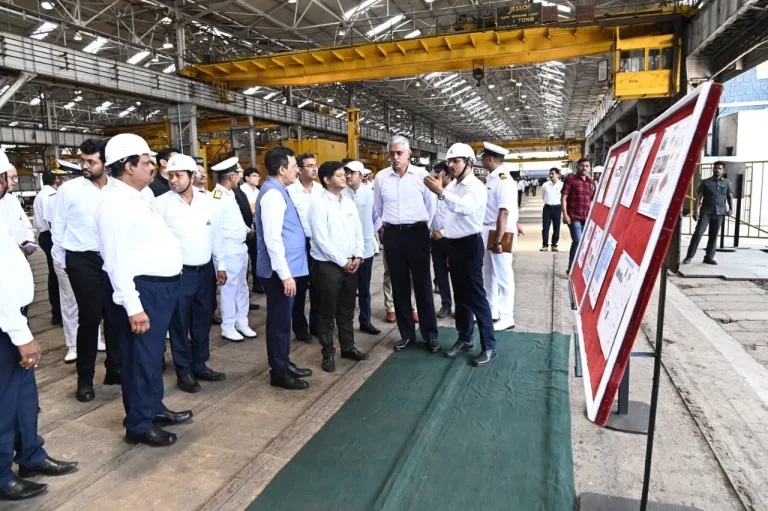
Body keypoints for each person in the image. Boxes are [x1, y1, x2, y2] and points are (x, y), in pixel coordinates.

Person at [96, 133, 192, 447]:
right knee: (140, 359)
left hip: (159, 289)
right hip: (142, 292)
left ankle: (153, 408)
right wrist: (132, 305)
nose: (153, 168)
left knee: (151, 357)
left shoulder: (137, 197)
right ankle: (138, 424)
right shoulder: (114, 204)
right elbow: (116, 260)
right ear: (127, 166)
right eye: (147, 163)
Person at [0, 228, 78, 502]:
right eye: (6, 180)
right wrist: (20, 334)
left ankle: (31, 455)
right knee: (4, 403)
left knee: (24, 397)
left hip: (14, 318)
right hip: (6, 323)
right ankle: (1, 477)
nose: (9, 181)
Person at [51, 139, 120, 402]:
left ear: (105, 163)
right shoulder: (70, 190)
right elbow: (58, 227)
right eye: (83, 160)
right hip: (82, 259)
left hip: (111, 259)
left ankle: (114, 370)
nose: (85, 166)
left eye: (91, 161)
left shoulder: (117, 189)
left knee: (115, 316)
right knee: (90, 318)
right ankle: (85, 380)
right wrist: (62, 260)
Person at [152, 154, 227, 394]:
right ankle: (183, 371)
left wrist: (221, 264)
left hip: (205, 272)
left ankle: (200, 364)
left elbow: (215, 235)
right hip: (179, 275)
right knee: (179, 324)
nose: (173, 180)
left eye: (178, 175)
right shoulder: (160, 204)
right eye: (170, 176)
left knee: (202, 321)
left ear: (191, 177)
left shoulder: (207, 202)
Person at [424, 143, 498, 367]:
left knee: (476, 297)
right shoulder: (454, 186)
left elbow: (465, 208)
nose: (451, 165)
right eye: (450, 161)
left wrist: (441, 192)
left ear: (469, 162)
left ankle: (490, 346)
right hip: (454, 246)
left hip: (470, 246)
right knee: (461, 297)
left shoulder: (475, 187)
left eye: (456, 161)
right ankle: (465, 338)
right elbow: (450, 217)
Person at [374, 135, 439, 353]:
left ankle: (430, 335)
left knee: (422, 286)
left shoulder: (422, 176)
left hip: (418, 234)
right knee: (399, 286)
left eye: (399, 153)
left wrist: (421, 228)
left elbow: (431, 207)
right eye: (391, 153)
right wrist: (389, 229)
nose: (395, 157)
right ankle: (407, 335)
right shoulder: (381, 178)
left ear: (409, 154)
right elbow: (379, 208)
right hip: (393, 236)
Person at [254, 146, 313, 390]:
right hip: (280, 272)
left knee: (283, 321)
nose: (297, 171)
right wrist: (285, 274)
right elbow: (272, 239)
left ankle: (283, 362)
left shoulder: (280, 190)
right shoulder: (272, 195)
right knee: (279, 323)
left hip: (288, 269)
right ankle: (278, 373)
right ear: (281, 169)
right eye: (293, 166)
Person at [309, 161, 369, 372]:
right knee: (326, 312)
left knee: (347, 309)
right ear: (326, 180)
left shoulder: (349, 203)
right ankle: (327, 353)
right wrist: (343, 261)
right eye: (339, 175)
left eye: (345, 174)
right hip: (328, 266)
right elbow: (321, 240)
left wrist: (359, 256)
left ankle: (348, 347)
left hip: (351, 264)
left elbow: (358, 232)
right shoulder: (319, 205)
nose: (345, 177)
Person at [211, 157, 257, 342]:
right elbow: (217, 228)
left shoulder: (230, 194)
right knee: (229, 289)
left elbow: (234, 221)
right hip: (228, 248)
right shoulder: (218, 197)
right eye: (238, 173)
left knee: (242, 287)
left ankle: (242, 322)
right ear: (231, 176)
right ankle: (228, 326)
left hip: (240, 246)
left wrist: (247, 230)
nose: (240, 176)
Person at [44, 160, 83, 363]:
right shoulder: (55, 198)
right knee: (70, 302)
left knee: (90, 302)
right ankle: (73, 344)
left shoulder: (90, 193)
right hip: (66, 255)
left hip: (86, 257)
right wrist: (60, 257)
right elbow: (55, 228)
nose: (58, 180)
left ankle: (94, 339)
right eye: (59, 177)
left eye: (62, 177)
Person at [481, 142, 520, 332]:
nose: (481, 160)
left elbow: (504, 212)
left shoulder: (503, 179)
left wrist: (498, 240)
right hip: (489, 229)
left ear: (490, 159)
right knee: (489, 274)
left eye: (483, 157)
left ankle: (507, 316)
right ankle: (492, 310)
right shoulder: (492, 178)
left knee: (504, 275)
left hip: (500, 231)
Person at [341, 161, 382, 335]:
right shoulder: (340, 194)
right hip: (346, 251)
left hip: (365, 250)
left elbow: (377, 218)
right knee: (347, 291)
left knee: (364, 288)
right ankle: (345, 324)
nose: (348, 175)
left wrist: (367, 234)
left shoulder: (370, 194)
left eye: (352, 172)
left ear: (361, 175)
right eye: (346, 172)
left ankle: (365, 321)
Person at [287, 152, 323, 341]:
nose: (314, 168)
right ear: (299, 170)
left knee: (318, 286)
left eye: (315, 165)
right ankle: (300, 328)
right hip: (298, 245)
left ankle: (316, 325)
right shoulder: (290, 191)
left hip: (317, 243)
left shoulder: (320, 190)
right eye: (309, 166)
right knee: (299, 288)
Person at [684, 161, 733, 265]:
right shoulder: (705, 182)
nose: (717, 170)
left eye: (719, 168)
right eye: (716, 168)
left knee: (713, 235)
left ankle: (709, 257)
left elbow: (729, 196)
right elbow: (699, 197)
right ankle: (689, 256)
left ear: (723, 170)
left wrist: (731, 208)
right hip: (706, 211)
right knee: (698, 233)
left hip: (719, 212)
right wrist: (696, 211)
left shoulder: (727, 183)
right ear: (713, 169)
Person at [32, 170, 62, 326]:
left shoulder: (40, 195)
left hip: (44, 235)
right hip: (51, 236)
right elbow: (51, 222)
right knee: (58, 276)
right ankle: (58, 313)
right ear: (56, 180)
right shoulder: (50, 196)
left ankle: (56, 313)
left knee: (53, 274)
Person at [562, 158, 596, 273]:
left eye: (587, 166)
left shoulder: (591, 183)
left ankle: (581, 266)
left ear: (589, 168)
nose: (584, 168)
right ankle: (571, 267)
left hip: (587, 217)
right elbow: (564, 198)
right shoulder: (570, 180)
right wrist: (565, 214)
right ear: (577, 167)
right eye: (582, 166)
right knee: (577, 240)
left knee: (585, 242)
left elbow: (593, 200)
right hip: (574, 216)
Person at [429, 162, 453, 319]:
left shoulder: (454, 192)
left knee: (457, 274)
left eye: (439, 173)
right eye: (434, 172)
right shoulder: (431, 193)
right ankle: (446, 304)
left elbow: (459, 217)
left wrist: (443, 232)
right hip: (434, 240)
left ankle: (462, 307)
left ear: (447, 175)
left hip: (452, 239)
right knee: (440, 273)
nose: (435, 176)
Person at [0, 151, 35, 253]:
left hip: (20, 253)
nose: (15, 181)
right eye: (12, 177)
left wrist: (29, 241)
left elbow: (25, 225)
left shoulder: (12, 200)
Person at [240, 167, 265, 294]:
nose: (257, 178)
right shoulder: (241, 191)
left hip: (257, 229)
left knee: (256, 257)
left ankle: (257, 283)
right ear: (247, 178)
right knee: (245, 260)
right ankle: (244, 288)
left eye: (258, 176)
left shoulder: (258, 191)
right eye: (254, 176)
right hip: (245, 229)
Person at [541, 168, 564, 252]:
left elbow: (563, 198)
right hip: (547, 208)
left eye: (553, 174)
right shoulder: (545, 185)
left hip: (557, 208)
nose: (551, 175)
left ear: (557, 175)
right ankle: (545, 245)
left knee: (556, 227)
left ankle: (554, 244)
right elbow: (543, 197)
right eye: (550, 173)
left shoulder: (562, 185)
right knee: (545, 227)